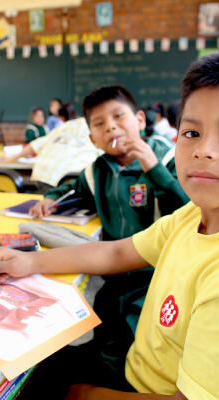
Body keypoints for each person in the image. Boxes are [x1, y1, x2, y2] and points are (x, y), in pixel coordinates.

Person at [0, 49, 219, 400]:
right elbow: (119, 251)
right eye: (191, 133)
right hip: (136, 362)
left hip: (143, 388)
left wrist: (85, 395)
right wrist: (29, 262)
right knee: (28, 363)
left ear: (141, 121)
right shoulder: (194, 215)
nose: (204, 150)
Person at [30, 85, 188, 345]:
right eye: (99, 123)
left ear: (139, 120)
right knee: (96, 331)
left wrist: (154, 168)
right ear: (93, 139)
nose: (111, 127)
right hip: (112, 270)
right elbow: (72, 188)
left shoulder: (170, 155)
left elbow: (188, 211)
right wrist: (50, 197)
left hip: (158, 273)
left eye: (118, 116)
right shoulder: (96, 171)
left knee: (139, 336)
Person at [1, 103, 102, 193]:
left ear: (61, 118)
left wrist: (12, 158)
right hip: (73, 180)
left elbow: (36, 144)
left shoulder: (65, 126)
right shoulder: (97, 127)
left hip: (45, 175)